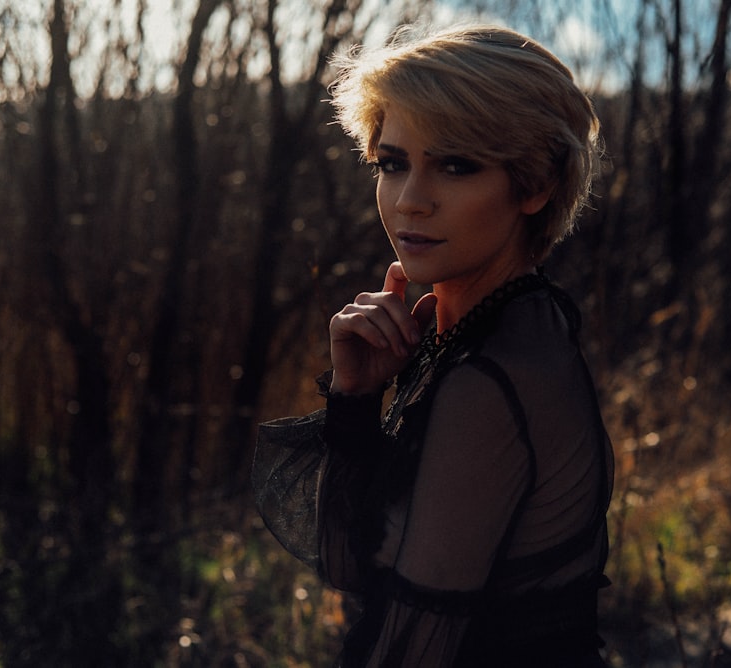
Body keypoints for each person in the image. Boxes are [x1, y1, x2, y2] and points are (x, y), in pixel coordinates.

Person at [253, 23, 614, 667]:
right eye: (391, 164)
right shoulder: (494, 329)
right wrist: (356, 397)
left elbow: (411, 648)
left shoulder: (493, 377)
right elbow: (351, 565)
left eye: (456, 165)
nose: (410, 201)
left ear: (534, 185)